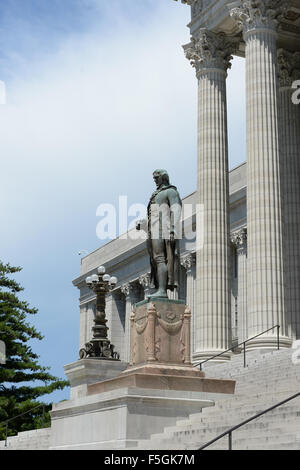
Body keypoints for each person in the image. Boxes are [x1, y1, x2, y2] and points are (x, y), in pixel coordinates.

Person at [145, 169, 182, 298]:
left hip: (163, 229)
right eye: (154, 178)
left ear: (163, 178)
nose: (155, 180)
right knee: (155, 259)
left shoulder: (170, 191)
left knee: (161, 258)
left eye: (157, 178)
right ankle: (160, 288)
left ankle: (162, 290)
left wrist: (173, 229)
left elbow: (176, 209)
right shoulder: (156, 194)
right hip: (153, 229)